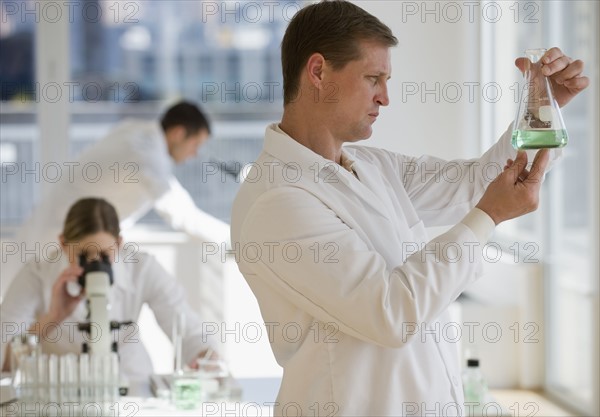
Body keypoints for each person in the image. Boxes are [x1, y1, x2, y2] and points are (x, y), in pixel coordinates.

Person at [230, 1, 589, 416]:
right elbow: (390, 312)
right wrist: (488, 217)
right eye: (373, 78)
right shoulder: (278, 201)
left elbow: (477, 184)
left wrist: (543, 109)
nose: (385, 97)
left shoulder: (371, 165)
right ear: (318, 72)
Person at [2, 101, 229, 296]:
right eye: (196, 144)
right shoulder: (144, 154)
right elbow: (181, 214)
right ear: (179, 133)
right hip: (61, 239)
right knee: (29, 310)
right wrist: (236, 242)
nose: (195, 153)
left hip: (60, 231)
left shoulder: (135, 132)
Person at [1, 198, 218, 387]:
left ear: (119, 244)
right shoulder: (37, 274)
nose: (95, 265)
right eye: (84, 255)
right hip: (61, 390)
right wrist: (52, 318)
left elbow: (188, 330)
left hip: (130, 382)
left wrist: (206, 359)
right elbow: (5, 358)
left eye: (105, 255)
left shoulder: (142, 268)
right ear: (64, 244)